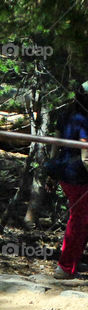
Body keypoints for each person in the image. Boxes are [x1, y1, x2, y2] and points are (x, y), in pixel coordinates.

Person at [50, 82, 88, 279]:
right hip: (80, 176)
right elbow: (86, 155)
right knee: (80, 220)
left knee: (80, 218)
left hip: (64, 172)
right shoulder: (84, 119)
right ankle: (65, 267)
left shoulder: (66, 113)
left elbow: (55, 143)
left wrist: (52, 167)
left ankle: (73, 262)